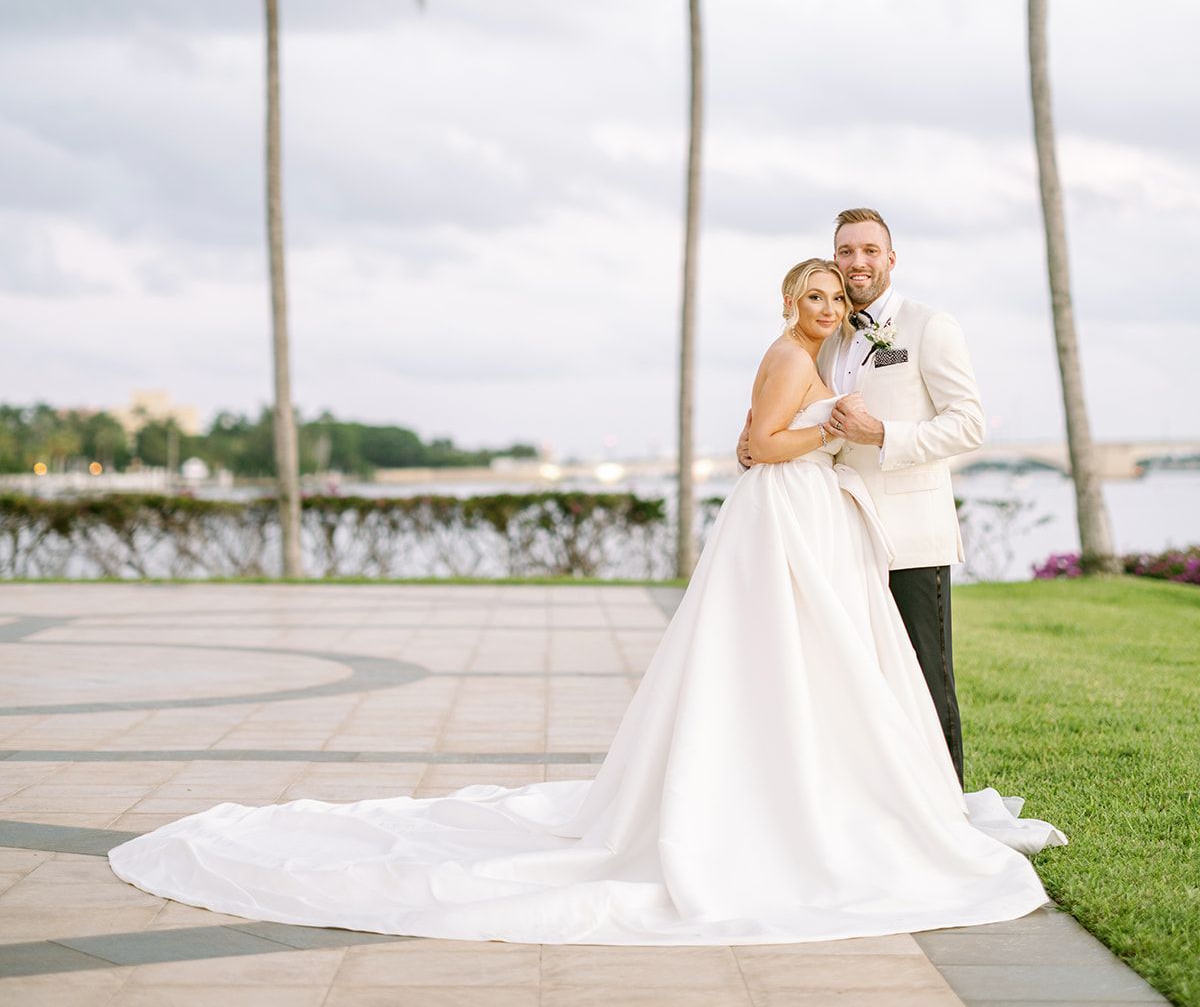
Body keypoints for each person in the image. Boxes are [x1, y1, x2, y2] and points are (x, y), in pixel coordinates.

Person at [108, 258, 1063, 945]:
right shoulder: (788, 355)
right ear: (790, 301)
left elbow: (876, 424)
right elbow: (753, 444)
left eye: (835, 289)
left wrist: (846, 433)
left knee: (830, 658)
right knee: (781, 647)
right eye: (812, 291)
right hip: (790, 505)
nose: (826, 301)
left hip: (827, 517)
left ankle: (847, 784)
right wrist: (827, 437)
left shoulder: (864, 343)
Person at [738, 207, 979, 785]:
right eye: (846, 251)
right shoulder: (823, 335)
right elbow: (785, 416)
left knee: (924, 673)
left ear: (890, 259)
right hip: (832, 533)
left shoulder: (927, 326)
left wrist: (884, 435)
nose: (857, 263)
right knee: (857, 676)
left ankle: (947, 804)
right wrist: (752, 444)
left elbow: (968, 424)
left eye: (869, 251)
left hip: (907, 532)